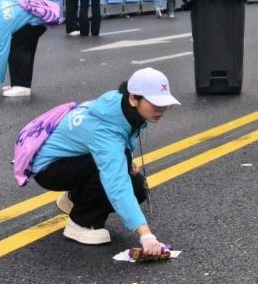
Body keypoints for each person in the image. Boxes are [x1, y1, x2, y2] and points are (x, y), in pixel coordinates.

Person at [32, 66, 179, 251]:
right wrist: (146, 235)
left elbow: (119, 144)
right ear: (133, 99)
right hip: (48, 168)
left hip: (70, 161)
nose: (161, 110)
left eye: (165, 105)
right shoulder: (105, 128)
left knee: (137, 185)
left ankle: (74, 199)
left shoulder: (122, 105)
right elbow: (116, 182)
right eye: (156, 104)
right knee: (118, 176)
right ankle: (82, 223)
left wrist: (127, 161)